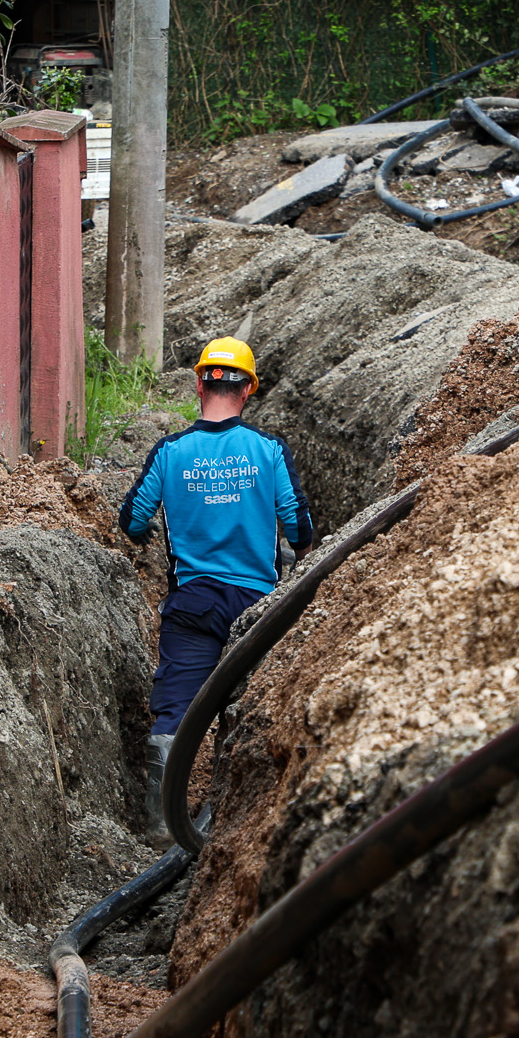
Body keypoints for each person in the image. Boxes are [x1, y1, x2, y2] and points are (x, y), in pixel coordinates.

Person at [119, 336, 312, 846]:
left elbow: (133, 520)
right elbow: (300, 528)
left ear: (200, 382)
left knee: (176, 709)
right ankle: (244, 815)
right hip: (256, 608)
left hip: (194, 602)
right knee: (254, 702)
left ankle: (162, 824)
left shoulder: (171, 452)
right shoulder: (268, 452)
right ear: (247, 389)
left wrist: (152, 532)